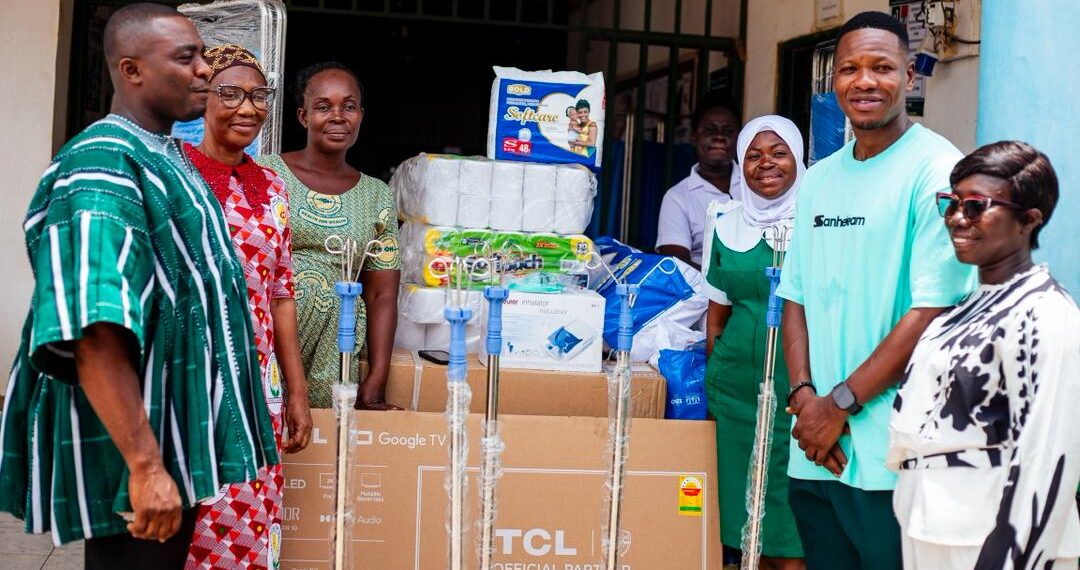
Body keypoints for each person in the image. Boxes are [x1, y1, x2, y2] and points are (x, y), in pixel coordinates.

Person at [0, 4, 278, 569]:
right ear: (131, 70)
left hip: (168, 440)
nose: (205, 70)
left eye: (202, 54)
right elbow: (95, 328)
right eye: (187, 57)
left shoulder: (165, 156)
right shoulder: (103, 165)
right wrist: (146, 467)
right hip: (136, 450)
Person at [776, 11, 978, 570]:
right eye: (850, 69)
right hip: (817, 451)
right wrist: (804, 398)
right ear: (834, 81)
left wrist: (839, 404)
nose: (865, 81)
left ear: (909, 76)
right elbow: (796, 298)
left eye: (882, 67)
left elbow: (931, 312)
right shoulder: (818, 178)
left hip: (894, 451)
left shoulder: (937, 172)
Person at [887, 141, 1080, 569]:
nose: (957, 217)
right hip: (933, 527)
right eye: (952, 203)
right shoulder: (957, 314)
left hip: (996, 542)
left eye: (976, 206)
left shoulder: (1044, 313)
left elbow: (1047, 457)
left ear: (1029, 220)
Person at [182, 44, 313, 569]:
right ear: (203, 97)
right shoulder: (175, 176)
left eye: (259, 95)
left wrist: (296, 391)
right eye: (230, 92)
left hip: (257, 386)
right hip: (186, 378)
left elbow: (282, 292)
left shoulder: (273, 188)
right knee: (182, 519)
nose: (247, 107)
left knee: (246, 516)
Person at [258, 62, 401, 410]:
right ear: (303, 116)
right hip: (265, 337)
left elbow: (382, 293)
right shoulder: (264, 174)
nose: (338, 116)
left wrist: (377, 377)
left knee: (320, 453)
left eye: (348, 106)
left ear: (360, 116)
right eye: (324, 107)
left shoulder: (376, 194)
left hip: (336, 346)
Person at [702, 115, 806, 569]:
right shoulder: (724, 219)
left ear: (798, 160)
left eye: (778, 153)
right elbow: (717, 310)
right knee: (741, 503)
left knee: (789, 501)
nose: (766, 164)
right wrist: (717, 372)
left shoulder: (819, 218)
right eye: (754, 155)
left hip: (800, 388)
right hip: (736, 390)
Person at [656, 90, 743, 270]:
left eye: (728, 131)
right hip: (702, 294)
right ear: (694, 137)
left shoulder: (756, 183)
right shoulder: (677, 197)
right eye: (710, 130)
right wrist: (730, 281)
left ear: (739, 138)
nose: (719, 136)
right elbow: (676, 266)